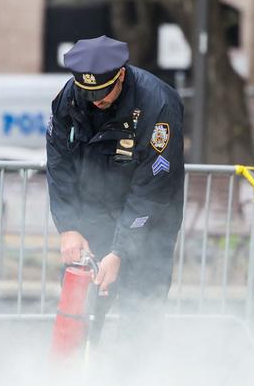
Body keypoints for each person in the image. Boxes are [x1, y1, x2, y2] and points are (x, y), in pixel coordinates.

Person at [46, 35, 185, 330]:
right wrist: (69, 227)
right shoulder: (70, 98)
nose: (96, 101)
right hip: (94, 217)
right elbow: (59, 165)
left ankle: (134, 360)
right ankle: (76, 361)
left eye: (103, 92)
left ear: (121, 74)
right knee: (78, 313)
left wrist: (120, 251)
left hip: (150, 224)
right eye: (88, 93)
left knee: (141, 317)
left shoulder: (157, 104)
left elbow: (153, 187)